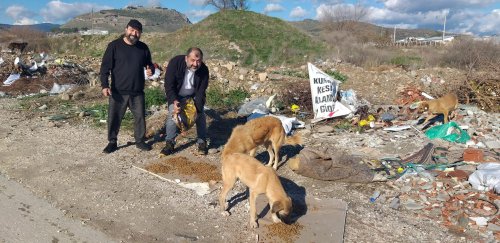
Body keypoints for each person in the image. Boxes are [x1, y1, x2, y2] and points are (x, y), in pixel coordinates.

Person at [100, 19, 155, 153]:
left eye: (137, 31)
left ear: (140, 33)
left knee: (140, 118)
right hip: (118, 91)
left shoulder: (143, 48)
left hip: (137, 91)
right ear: (126, 29)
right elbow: (105, 67)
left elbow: (150, 64)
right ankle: (112, 142)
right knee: (114, 118)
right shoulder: (114, 46)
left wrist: (151, 69)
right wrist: (104, 85)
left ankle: (140, 140)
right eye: (132, 30)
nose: (134, 33)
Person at [161, 47, 209, 156]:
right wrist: (174, 101)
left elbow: (201, 91)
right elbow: (169, 85)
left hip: (193, 96)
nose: (195, 64)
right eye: (193, 60)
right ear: (186, 58)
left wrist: (197, 108)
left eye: (198, 61)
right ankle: (170, 143)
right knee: (173, 114)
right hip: (177, 96)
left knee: (201, 115)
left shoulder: (204, 70)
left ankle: (202, 142)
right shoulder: (175, 63)